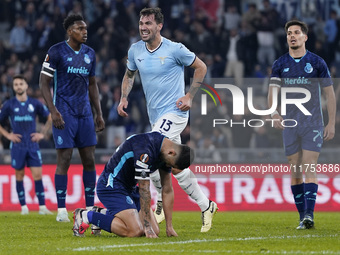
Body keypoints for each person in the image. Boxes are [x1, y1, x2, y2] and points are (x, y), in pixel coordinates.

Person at [117, 7, 218, 233]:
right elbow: (129, 74)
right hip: (155, 115)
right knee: (166, 163)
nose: (143, 27)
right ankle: (205, 204)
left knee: (149, 149)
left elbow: (201, 67)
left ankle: (165, 202)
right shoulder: (135, 50)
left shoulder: (175, 49)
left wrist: (190, 96)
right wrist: (123, 97)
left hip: (175, 112)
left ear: (159, 26)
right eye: (141, 23)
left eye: (148, 24)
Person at [268, 20, 336, 229]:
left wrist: (331, 123)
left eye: (297, 33)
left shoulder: (316, 63)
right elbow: (272, 92)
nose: (292, 36)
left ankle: (309, 215)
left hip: (312, 123)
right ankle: (302, 217)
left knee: (309, 165)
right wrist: (274, 113)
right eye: (289, 33)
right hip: (290, 125)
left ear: (305, 37)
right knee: (295, 170)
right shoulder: (280, 64)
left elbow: (329, 94)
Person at [39, 14, 105, 222]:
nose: (85, 32)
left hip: (85, 113)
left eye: (85, 28)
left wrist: (99, 113)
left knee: (89, 160)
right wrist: (53, 111)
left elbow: (92, 84)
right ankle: (60, 210)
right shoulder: (56, 51)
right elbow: (43, 83)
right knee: (64, 160)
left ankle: (88, 208)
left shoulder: (90, 53)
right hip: (64, 114)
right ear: (70, 31)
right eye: (80, 28)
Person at [72, 131, 194, 238]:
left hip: (130, 189)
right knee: (135, 231)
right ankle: (86, 215)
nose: (170, 168)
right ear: (172, 153)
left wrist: (169, 226)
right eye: (172, 165)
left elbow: (167, 189)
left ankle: (102, 213)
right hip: (111, 186)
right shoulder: (145, 149)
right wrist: (147, 227)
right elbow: (144, 189)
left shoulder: (165, 153)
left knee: (155, 231)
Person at [0, 74, 52, 215]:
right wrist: (8, 135)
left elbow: (50, 117)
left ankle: (42, 207)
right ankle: (23, 207)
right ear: (13, 87)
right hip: (17, 146)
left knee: (38, 176)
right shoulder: (9, 105)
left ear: (26, 86)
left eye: (21, 84)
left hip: (32, 145)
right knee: (19, 176)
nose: (18, 86)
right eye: (16, 84)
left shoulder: (34, 103)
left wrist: (42, 133)